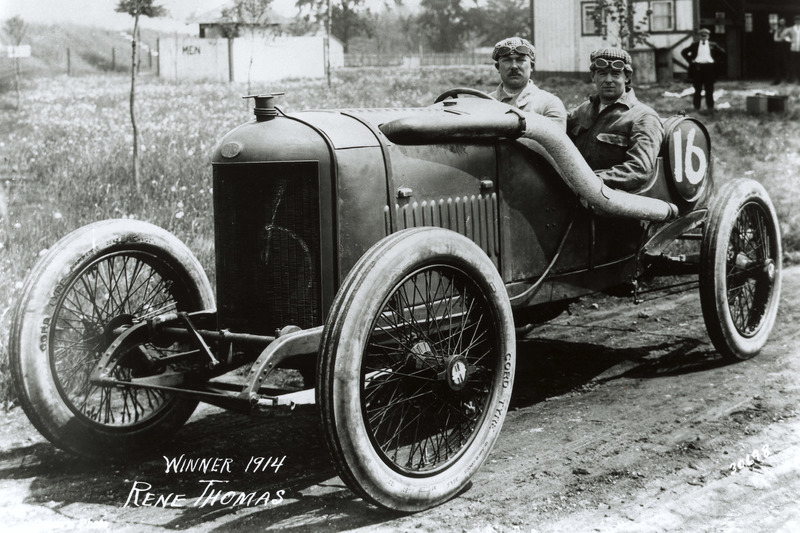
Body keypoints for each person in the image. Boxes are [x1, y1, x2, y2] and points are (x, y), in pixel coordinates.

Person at [566, 48, 664, 193]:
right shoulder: (583, 110)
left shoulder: (644, 117)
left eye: (616, 74)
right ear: (593, 76)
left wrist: (588, 180)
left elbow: (639, 169)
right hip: (575, 194)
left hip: (615, 201)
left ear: (627, 78)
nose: (608, 80)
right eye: (602, 73)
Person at [489, 37, 567, 130]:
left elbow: (555, 142)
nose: (514, 66)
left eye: (520, 60)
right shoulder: (486, 103)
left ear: (531, 66)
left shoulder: (549, 104)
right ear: (498, 67)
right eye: (507, 60)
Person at [681, 28, 726, 112]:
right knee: (697, 89)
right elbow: (684, 52)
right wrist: (691, 60)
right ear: (699, 36)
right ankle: (696, 107)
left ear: (708, 36)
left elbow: (722, 53)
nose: (703, 37)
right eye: (702, 36)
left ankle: (710, 107)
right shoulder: (694, 45)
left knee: (709, 89)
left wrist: (715, 61)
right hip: (698, 68)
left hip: (709, 68)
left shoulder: (713, 45)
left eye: (705, 35)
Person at [779, 15, 800, 83]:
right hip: (793, 47)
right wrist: (789, 40)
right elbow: (783, 35)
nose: (798, 21)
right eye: (796, 20)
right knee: (793, 63)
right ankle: (792, 78)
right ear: (794, 21)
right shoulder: (791, 28)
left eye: (799, 20)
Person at [771, 18, 790, 84]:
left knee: (786, 64)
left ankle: (787, 80)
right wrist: (780, 39)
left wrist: (782, 39)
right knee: (777, 63)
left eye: (783, 22)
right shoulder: (777, 29)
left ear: (785, 22)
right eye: (780, 22)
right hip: (778, 48)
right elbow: (775, 38)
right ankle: (777, 80)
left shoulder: (788, 29)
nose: (782, 23)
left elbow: (787, 38)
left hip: (785, 48)